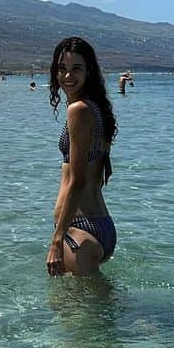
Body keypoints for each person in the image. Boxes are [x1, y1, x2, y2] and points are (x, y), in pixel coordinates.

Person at [46, 36, 118, 276]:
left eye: (76, 68)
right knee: (88, 308)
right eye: (62, 69)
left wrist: (57, 239)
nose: (68, 76)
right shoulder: (97, 110)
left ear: (89, 72)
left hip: (79, 229)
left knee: (79, 312)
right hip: (101, 227)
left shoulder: (78, 110)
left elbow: (77, 181)